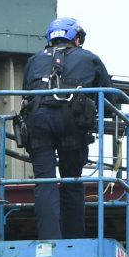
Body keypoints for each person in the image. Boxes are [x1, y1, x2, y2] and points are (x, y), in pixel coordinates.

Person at [21, 17, 112, 239]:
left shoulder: (33, 61)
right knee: (72, 179)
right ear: (77, 39)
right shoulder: (90, 59)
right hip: (73, 121)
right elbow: (109, 102)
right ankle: (74, 237)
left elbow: (26, 95)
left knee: (45, 181)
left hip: (39, 121)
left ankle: (49, 238)